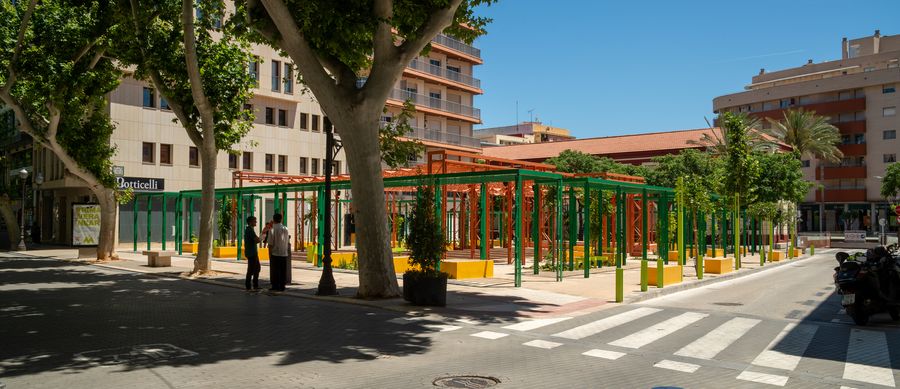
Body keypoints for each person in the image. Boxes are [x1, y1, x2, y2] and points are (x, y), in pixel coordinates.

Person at [266, 213, 290, 293]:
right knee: (283, 270)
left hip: (275, 253)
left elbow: (270, 243)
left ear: (273, 219)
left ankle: (275, 286)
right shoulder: (285, 228)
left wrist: (269, 254)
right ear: (281, 219)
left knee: (275, 271)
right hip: (284, 253)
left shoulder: (272, 229)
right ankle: (282, 286)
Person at [244, 216, 268, 292]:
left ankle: (254, 284)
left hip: (252, 252)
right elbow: (257, 240)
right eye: (255, 221)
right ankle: (250, 285)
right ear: (251, 222)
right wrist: (263, 236)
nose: (256, 222)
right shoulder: (250, 230)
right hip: (252, 253)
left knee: (256, 268)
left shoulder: (249, 230)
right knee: (252, 269)